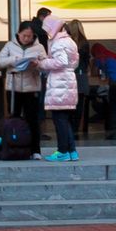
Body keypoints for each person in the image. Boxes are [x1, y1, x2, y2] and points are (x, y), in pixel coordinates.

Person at [0, 23, 45, 158]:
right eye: (24, 36)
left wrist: (37, 64)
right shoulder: (10, 46)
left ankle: (35, 150)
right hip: (13, 88)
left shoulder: (39, 47)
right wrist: (13, 60)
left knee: (32, 119)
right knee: (14, 118)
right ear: (18, 34)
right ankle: (13, 148)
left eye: (29, 36)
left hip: (32, 87)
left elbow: (46, 65)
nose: (26, 38)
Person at [38, 17, 80, 162]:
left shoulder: (58, 43)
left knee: (59, 119)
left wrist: (42, 63)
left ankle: (62, 151)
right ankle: (71, 150)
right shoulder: (71, 42)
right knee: (65, 119)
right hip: (69, 82)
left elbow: (61, 62)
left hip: (59, 85)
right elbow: (73, 63)